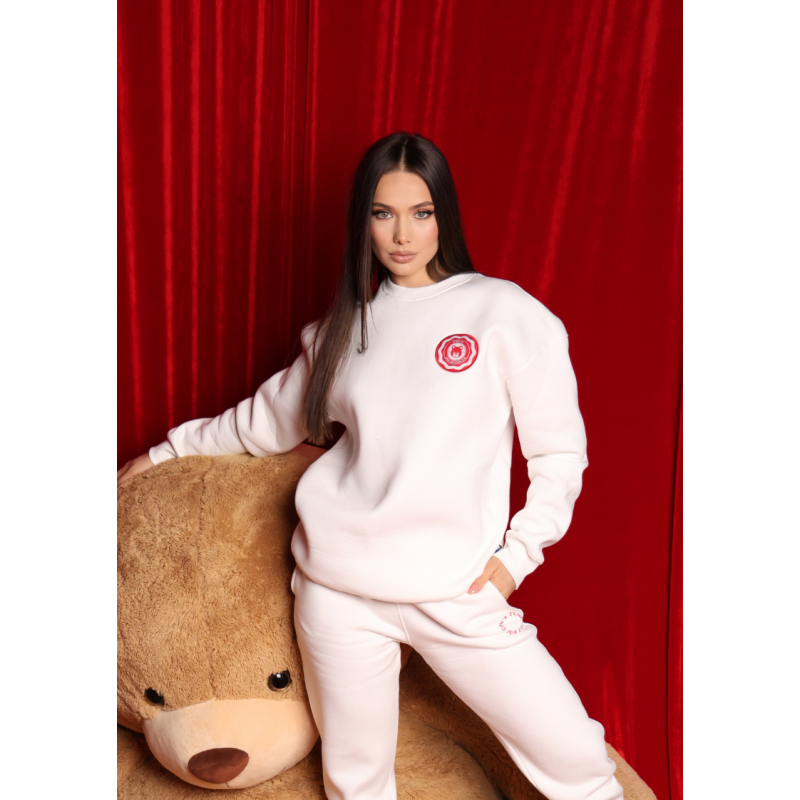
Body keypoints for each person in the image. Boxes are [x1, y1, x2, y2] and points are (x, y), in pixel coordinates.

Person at [118, 132, 624, 800]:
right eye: (383, 214)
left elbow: (559, 453)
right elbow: (261, 422)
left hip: (455, 589)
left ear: (444, 216)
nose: (402, 234)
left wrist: (516, 559)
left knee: (576, 758)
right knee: (356, 784)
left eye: (421, 212)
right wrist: (164, 452)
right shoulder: (342, 330)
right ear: (364, 221)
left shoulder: (503, 313)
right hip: (338, 592)